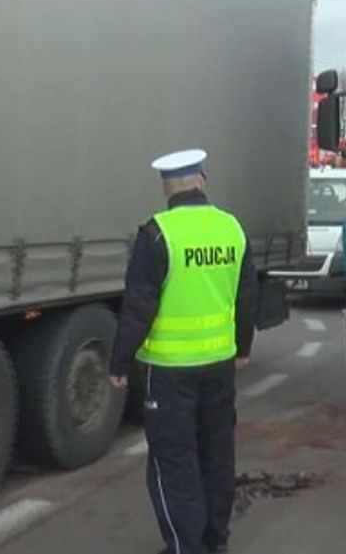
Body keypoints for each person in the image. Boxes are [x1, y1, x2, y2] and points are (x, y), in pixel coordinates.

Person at [109, 149, 258, 554]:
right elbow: (247, 298)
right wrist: (242, 346)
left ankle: (185, 547)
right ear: (202, 182)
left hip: (169, 371)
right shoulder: (232, 229)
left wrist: (120, 361)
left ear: (166, 188)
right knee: (216, 456)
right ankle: (215, 542)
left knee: (174, 463)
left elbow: (138, 306)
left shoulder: (157, 234)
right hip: (219, 366)